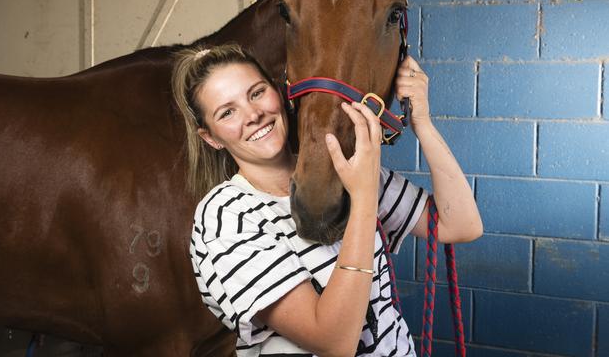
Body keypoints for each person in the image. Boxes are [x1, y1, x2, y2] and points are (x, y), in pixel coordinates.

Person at [172, 44, 483, 357]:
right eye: (227, 112)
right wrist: (362, 199)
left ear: (279, 93)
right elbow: (334, 342)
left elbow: (460, 225)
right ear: (210, 137)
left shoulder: (342, 169)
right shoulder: (226, 217)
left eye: (256, 93)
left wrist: (423, 122)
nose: (253, 115)